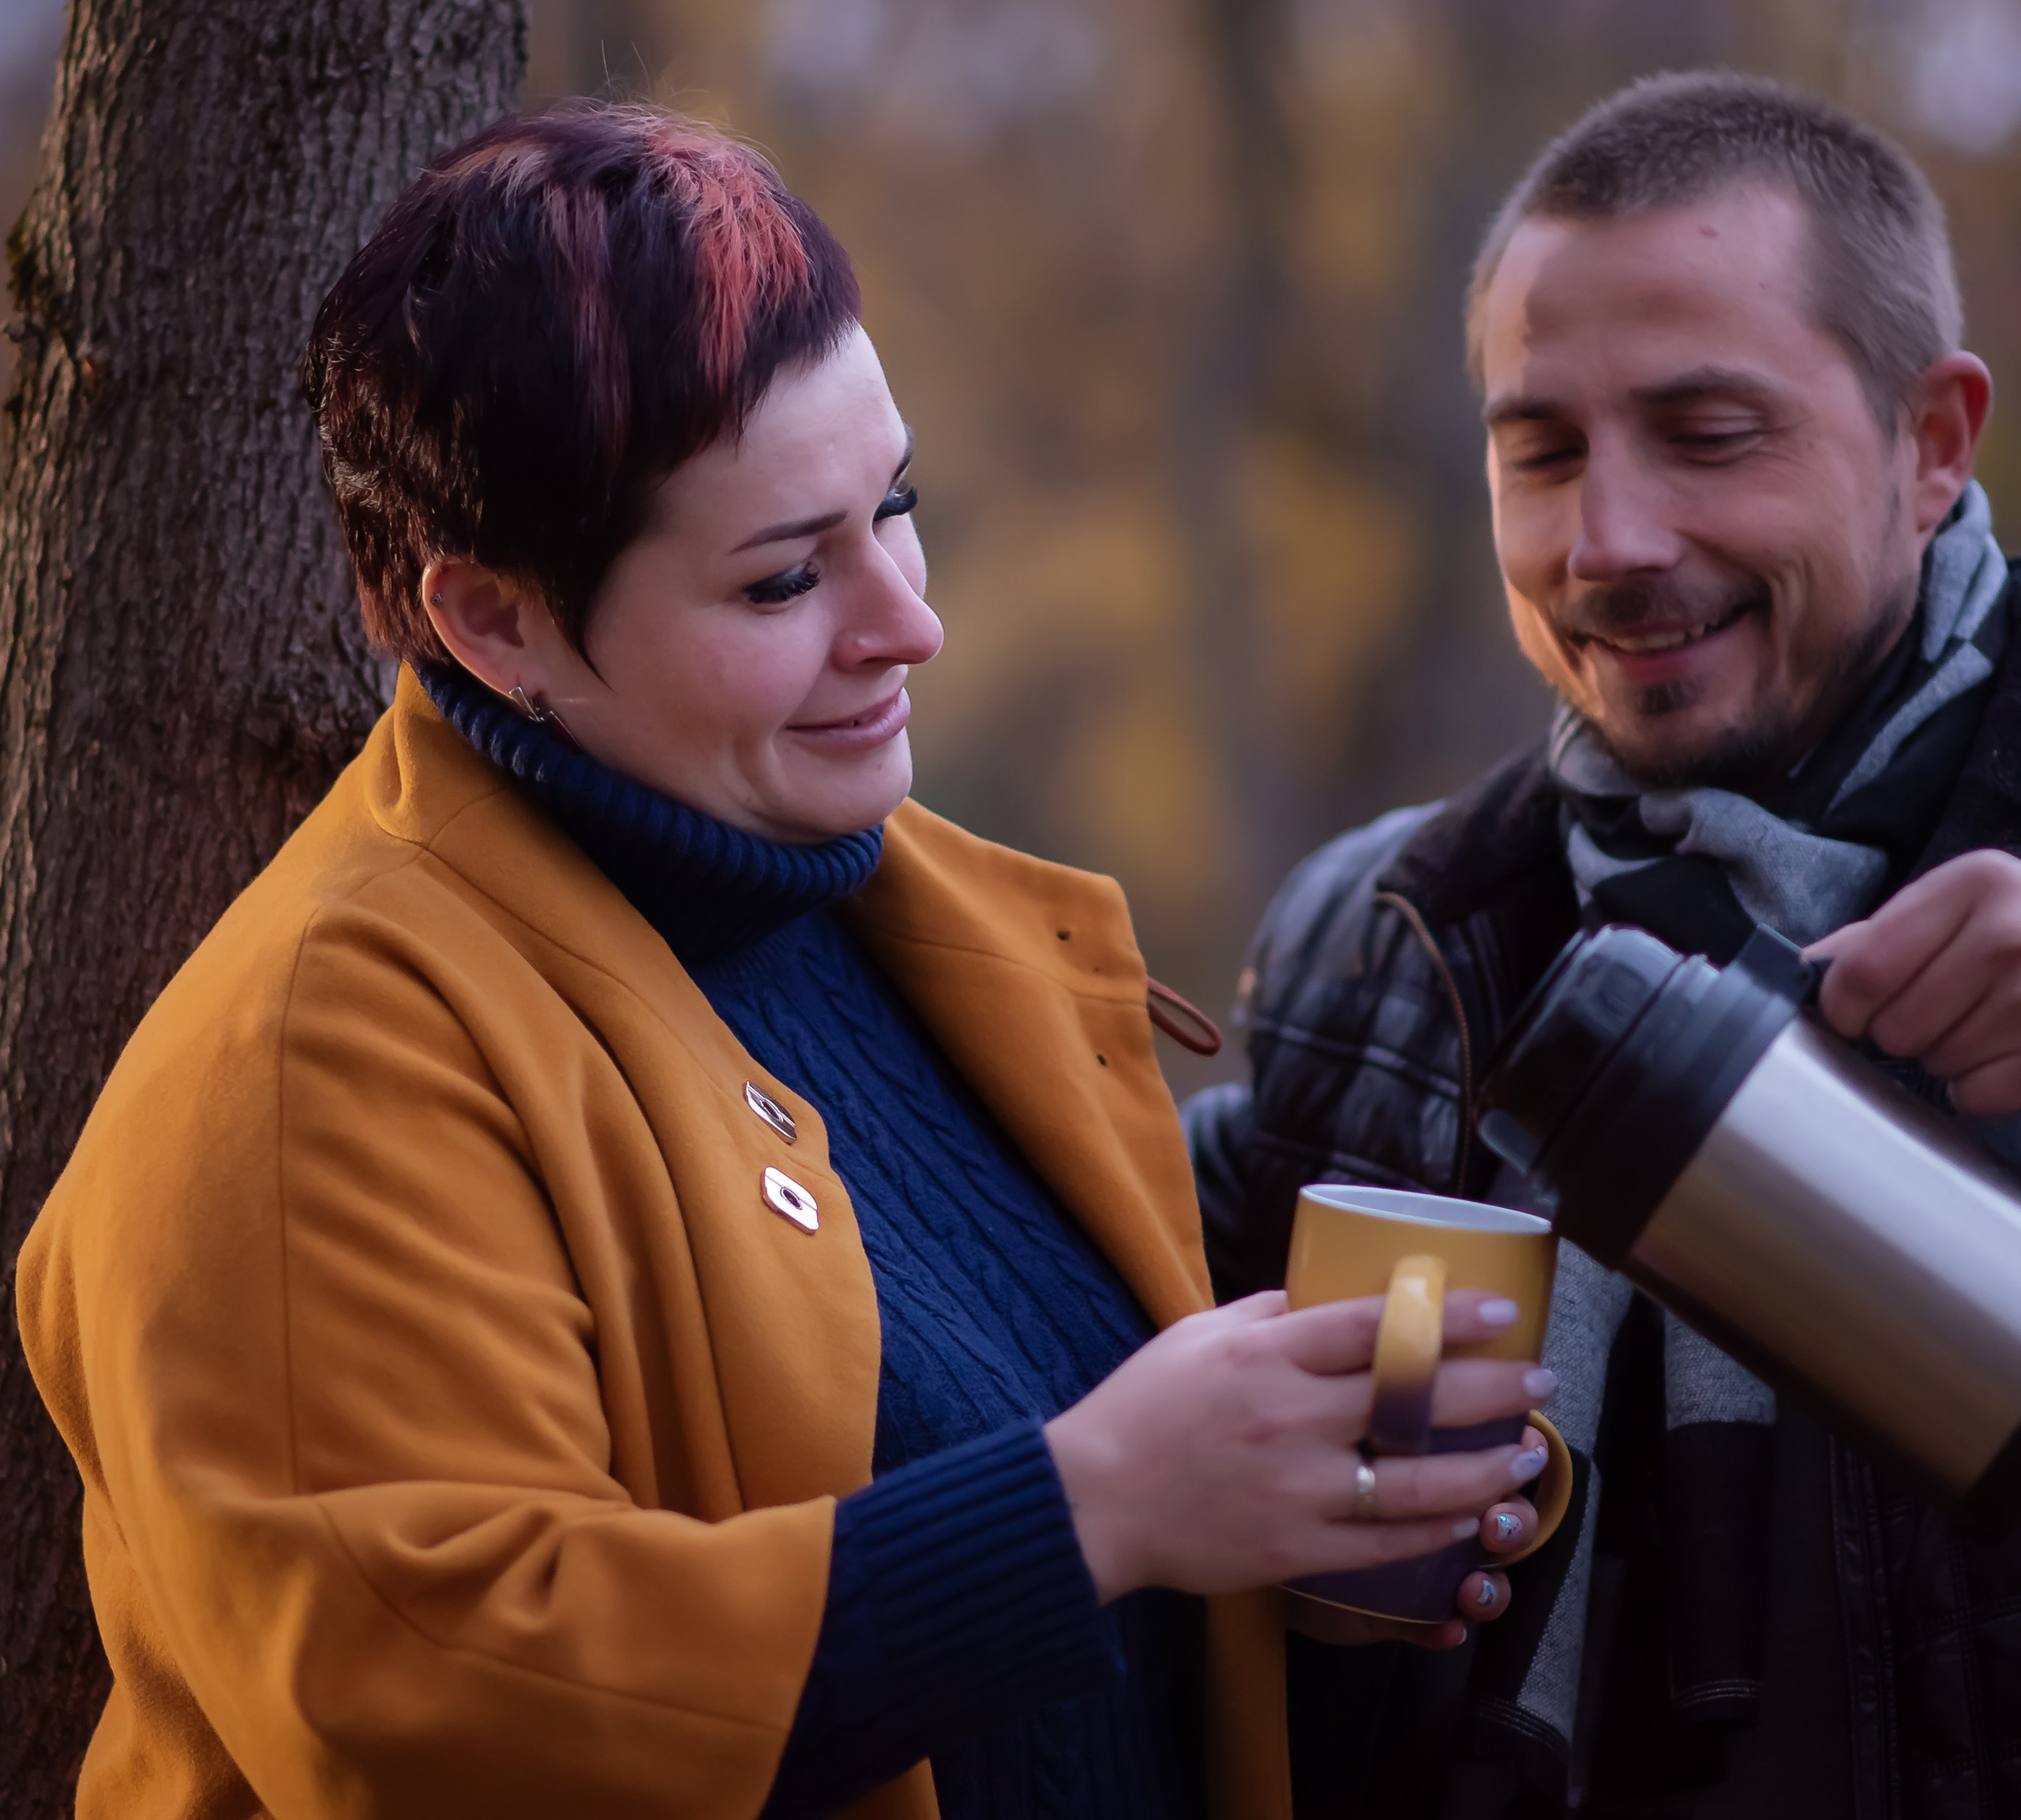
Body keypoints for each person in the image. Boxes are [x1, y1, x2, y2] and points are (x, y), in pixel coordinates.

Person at [16, 103, 1550, 1820]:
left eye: (894, 506)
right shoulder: (309, 1055)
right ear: (495, 620)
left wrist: (1303, 1521)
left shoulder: (928, 923)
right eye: (777, 583)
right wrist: (1094, 1508)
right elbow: (431, 1707)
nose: (909, 621)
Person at [1189, 70, 2021, 1818]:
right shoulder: (1378, 936)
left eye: (1708, 434)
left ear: (1932, 443)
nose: (1607, 543)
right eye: (1542, 451)